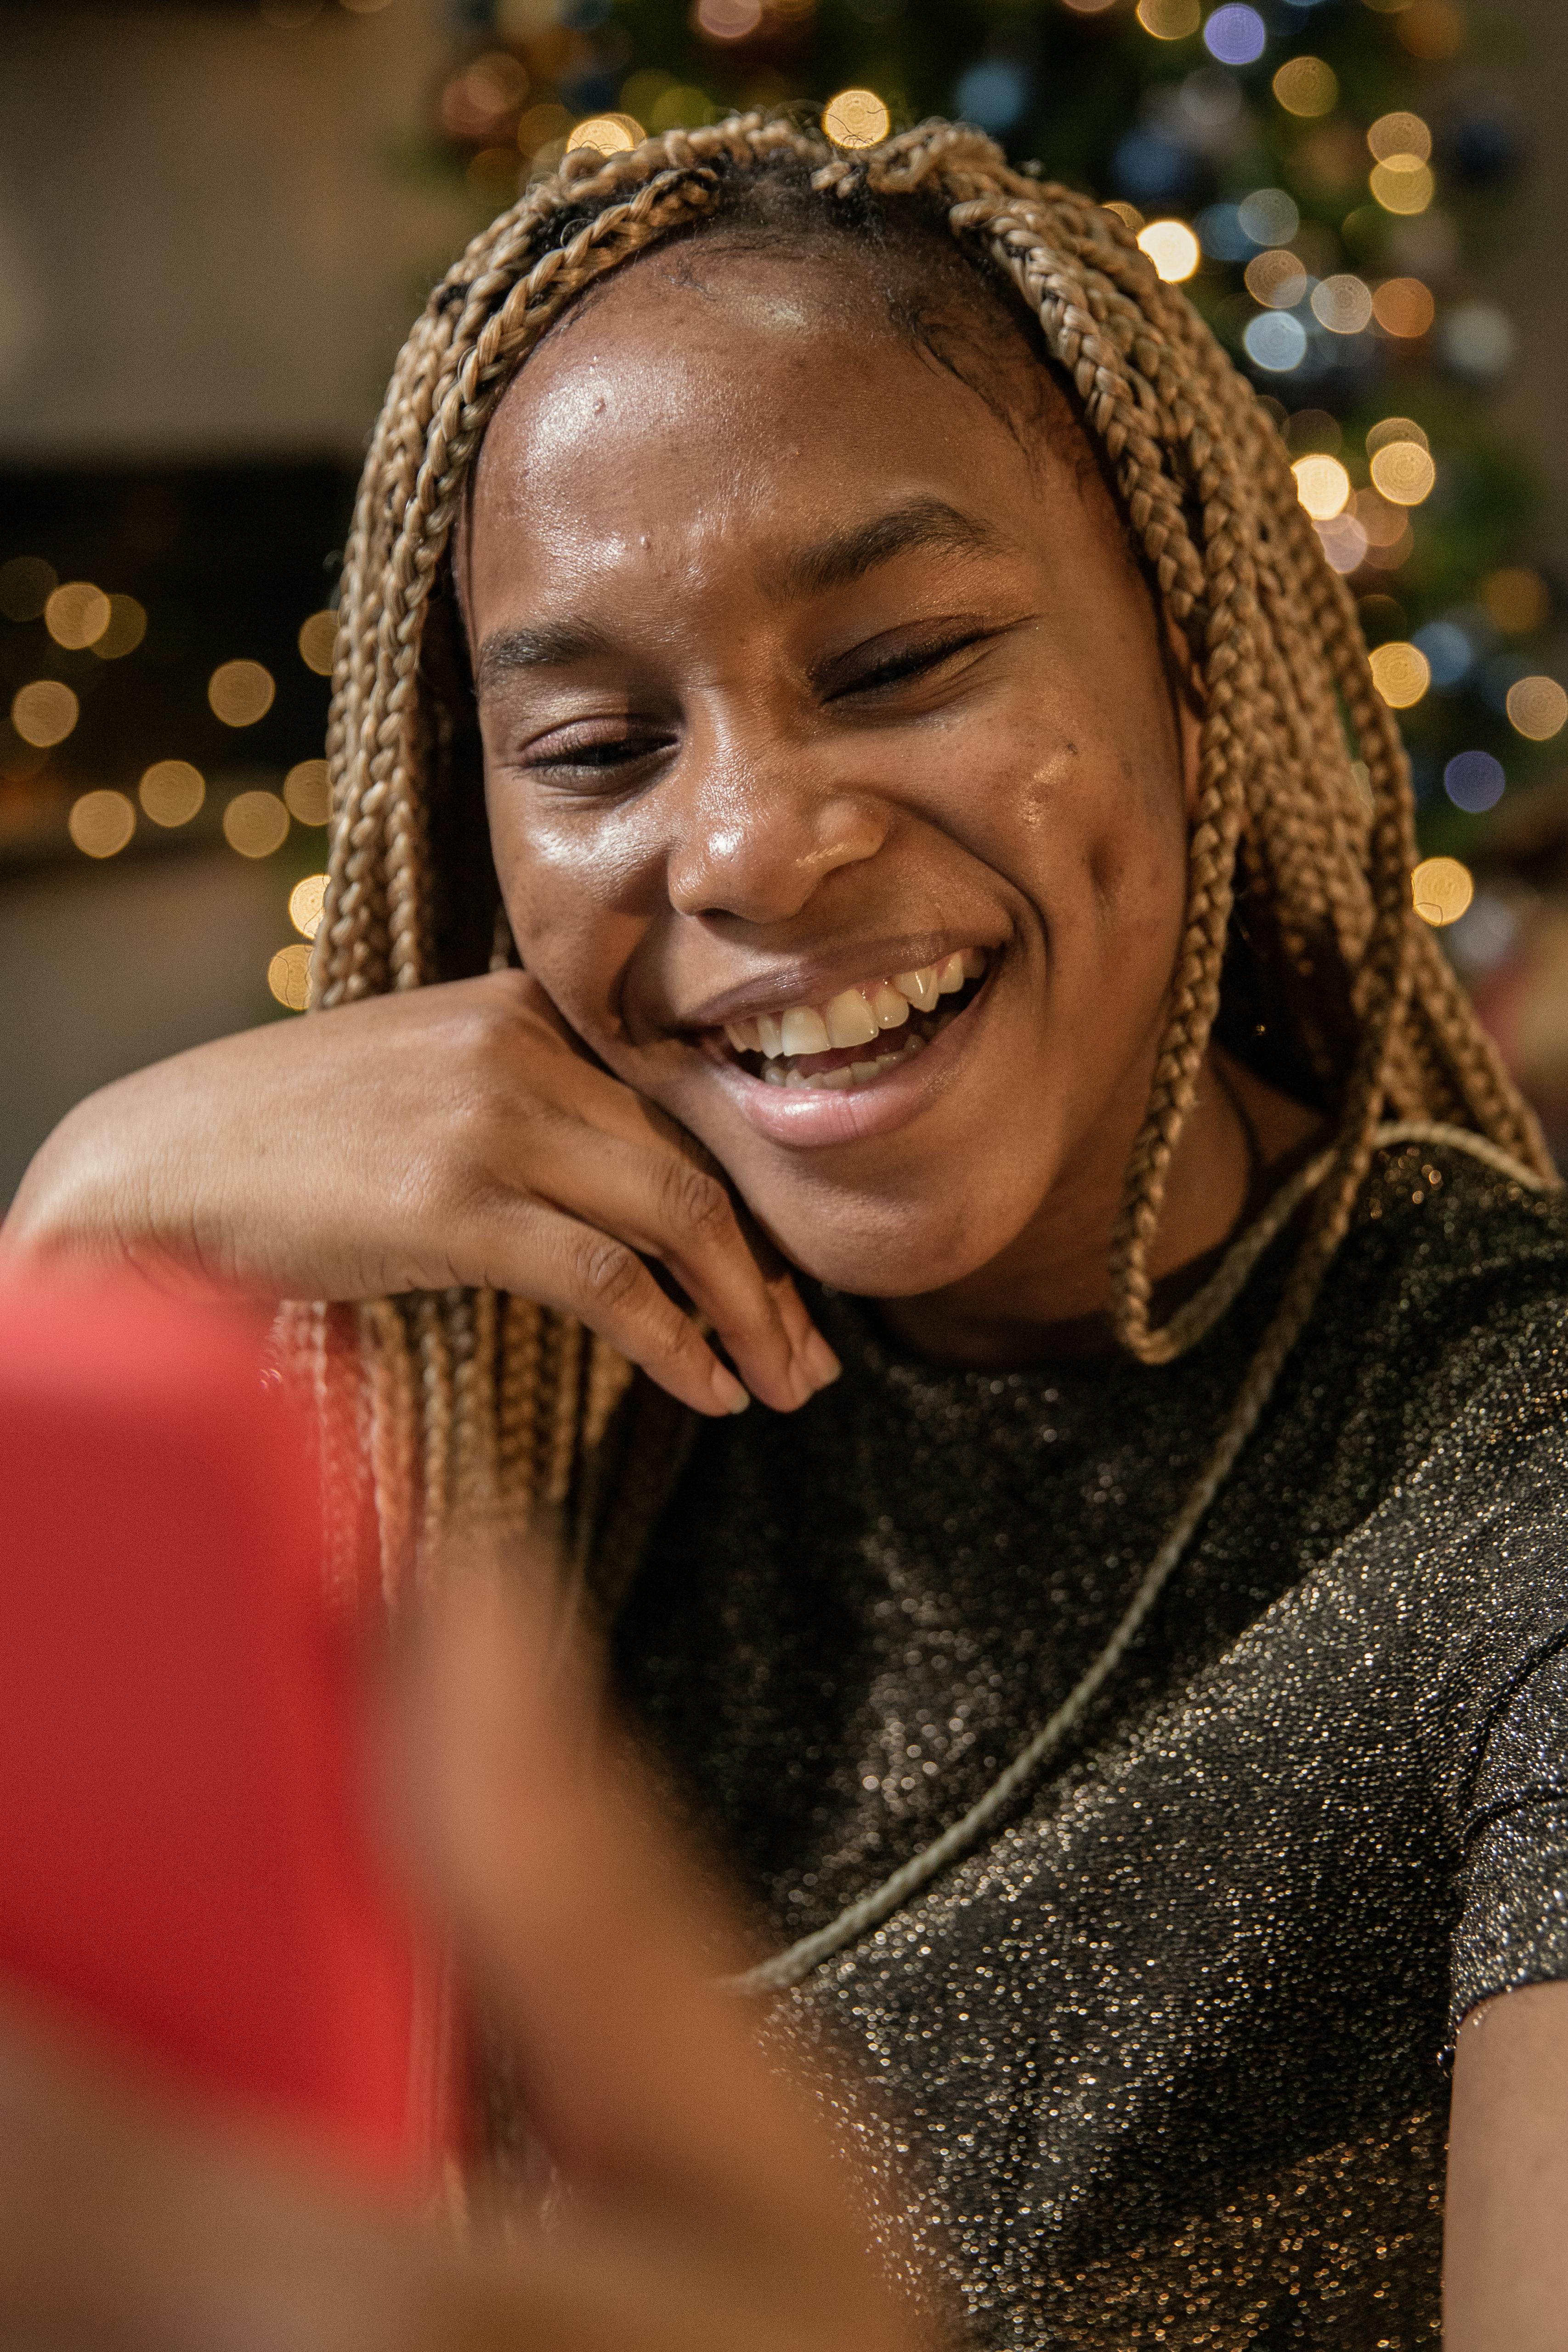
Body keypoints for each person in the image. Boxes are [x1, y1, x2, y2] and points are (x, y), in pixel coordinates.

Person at [7, 110, 1568, 2347]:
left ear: (1193, 658)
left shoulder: (1505, 1472)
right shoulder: (477, 1421)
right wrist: (79, 1239)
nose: (742, 843)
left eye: (902, 657)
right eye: (595, 741)